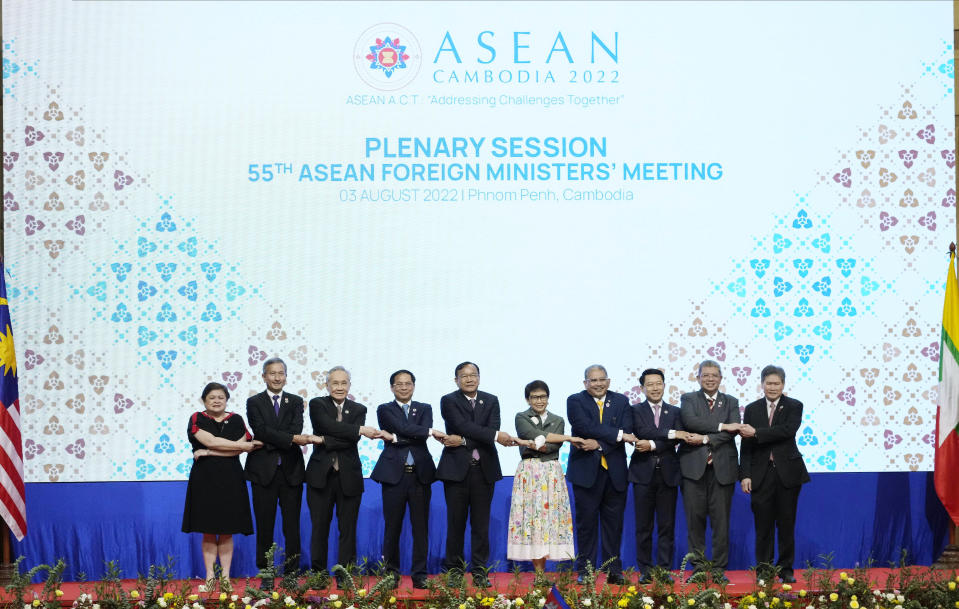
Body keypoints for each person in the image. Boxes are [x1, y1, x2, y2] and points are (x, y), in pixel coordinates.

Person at [435, 361, 517, 587]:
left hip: (484, 470)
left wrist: (463, 439)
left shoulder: (491, 400)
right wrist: (491, 435)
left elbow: (486, 429)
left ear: (479, 377)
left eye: (473, 375)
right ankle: (454, 570)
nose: (469, 379)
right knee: (456, 523)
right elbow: (462, 425)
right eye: (464, 376)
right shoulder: (449, 400)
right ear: (456, 380)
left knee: (481, 525)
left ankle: (480, 571)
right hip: (456, 471)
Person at [182, 382, 262, 589]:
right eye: (212, 397)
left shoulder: (236, 419)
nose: (217, 401)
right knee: (208, 530)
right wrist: (239, 446)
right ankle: (209, 576)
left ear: (226, 399)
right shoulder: (196, 418)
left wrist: (208, 453)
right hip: (205, 479)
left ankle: (225, 577)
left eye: (221, 397)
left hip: (231, 478)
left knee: (227, 530)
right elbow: (212, 441)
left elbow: (235, 450)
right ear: (204, 400)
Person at [305, 366, 381, 581]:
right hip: (320, 477)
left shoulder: (359, 408)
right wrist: (358, 429)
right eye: (335, 383)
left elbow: (350, 440)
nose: (339, 387)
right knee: (319, 528)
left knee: (348, 529)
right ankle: (318, 575)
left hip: (349, 476)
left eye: (343, 383)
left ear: (349, 385)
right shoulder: (317, 404)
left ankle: (345, 575)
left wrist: (323, 440)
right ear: (327, 385)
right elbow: (325, 424)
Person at [739, 365, 810, 584]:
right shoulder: (752, 409)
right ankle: (764, 569)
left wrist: (757, 432)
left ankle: (786, 569)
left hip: (788, 474)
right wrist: (745, 474)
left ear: (783, 385)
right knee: (763, 526)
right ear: (762, 384)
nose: (772, 387)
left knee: (786, 524)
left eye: (776, 383)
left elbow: (787, 431)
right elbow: (746, 443)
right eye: (768, 383)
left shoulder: (794, 406)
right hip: (760, 475)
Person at [566, 364, 637, 585]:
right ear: (585, 383)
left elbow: (627, 428)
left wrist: (599, 444)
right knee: (586, 525)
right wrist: (617, 435)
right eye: (593, 380)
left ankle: (613, 570)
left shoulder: (621, 401)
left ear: (608, 381)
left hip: (614, 472)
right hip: (586, 473)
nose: (598, 384)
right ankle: (586, 570)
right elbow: (582, 426)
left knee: (613, 525)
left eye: (601, 379)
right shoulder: (575, 400)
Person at [245, 358, 312, 587]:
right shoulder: (254, 402)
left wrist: (280, 438)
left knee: (292, 526)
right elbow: (260, 431)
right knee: (265, 525)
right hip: (262, 472)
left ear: (286, 376)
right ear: (263, 376)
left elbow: (296, 429)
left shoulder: (295, 401)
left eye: (280, 373)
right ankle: (266, 575)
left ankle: (292, 574)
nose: (276, 377)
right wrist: (289, 439)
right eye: (272, 373)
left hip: (291, 471)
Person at [370, 370, 440, 590]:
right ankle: (391, 573)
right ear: (392, 387)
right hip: (393, 475)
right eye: (398, 384)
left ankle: (420, 574)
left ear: (414, 386)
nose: (403, 387)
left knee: (421, 528)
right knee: (393, 527)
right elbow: (408, 429)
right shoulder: (384, 409)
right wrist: (423, 432)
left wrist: (396, 437)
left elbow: (416, 434)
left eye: (407, 383)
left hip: (420, 474)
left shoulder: (425, 408)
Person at [507, 380, 579, 576]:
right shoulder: (521, 416)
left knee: (550, 519)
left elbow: (551, 447)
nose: (539, 401)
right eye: (535, 397)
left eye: (543, 397)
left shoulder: (558, 420)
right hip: (529, 471)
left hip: (551, 473)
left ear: (548, 397)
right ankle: (538, 573)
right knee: (532, 518)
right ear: (527, 399)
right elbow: (528, 433)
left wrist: (535, 442)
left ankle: (545, 571)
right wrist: (563, 438)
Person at [678, 360, 741, 583]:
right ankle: (698, 568)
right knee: (694, 522)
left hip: (722, 468)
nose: (710, 379)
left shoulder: (731, 402)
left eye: (714, 375)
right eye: (705, 375)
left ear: (721, 378)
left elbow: (735, 430)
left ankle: (718, 569)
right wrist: (722, 426)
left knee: (721, 522)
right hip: (693, 469)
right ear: (698, 378)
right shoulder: (688, 399)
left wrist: (706, 438)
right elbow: (690, 421)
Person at [628, 368, 684, 583]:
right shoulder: (634, 411)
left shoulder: (675, 411)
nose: (654, 387)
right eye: (649, 384)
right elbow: (641, 431)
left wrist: (652, 444)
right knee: (643, 526)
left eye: (658, 383)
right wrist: (669, 434)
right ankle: (645, 571)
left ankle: (664, 570)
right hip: (642, 474)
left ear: (664, 385)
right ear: (642, 388)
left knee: (667, 526)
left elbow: (676, 440)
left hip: (668, 474)